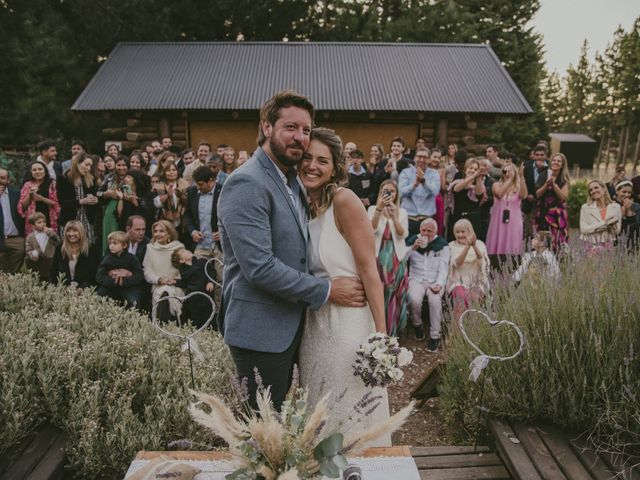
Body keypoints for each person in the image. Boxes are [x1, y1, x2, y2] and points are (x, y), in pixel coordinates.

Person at [217, 90, 365, 411]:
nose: (300, 137)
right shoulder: (246, 183)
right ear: (267, 127)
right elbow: (260, 267)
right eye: (291, 127)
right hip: (260, 329)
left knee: (291, 421)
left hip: (294, 324)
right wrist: (327, 290)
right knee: (263, 429)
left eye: (306, 130)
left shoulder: (291, 179)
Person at [298, 127, 390, 446]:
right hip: (313, 328)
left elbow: (369, 268)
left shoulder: (344, 200)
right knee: (318, 421)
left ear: (336, 166)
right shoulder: (299, 206)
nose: (312, 165)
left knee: (350, 417)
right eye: (306, 157)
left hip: (348, 326)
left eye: (322, 160)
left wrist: (381, 337)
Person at [368, 179, 409, 336]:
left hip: (395, 257)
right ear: (380, 192)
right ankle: (378, 330)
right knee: (379, 293)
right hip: (378, 257)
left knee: (393, 293)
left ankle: (391, 331)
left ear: (396, 194)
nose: (389, 194)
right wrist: (379, 209)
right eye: (386, 191)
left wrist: (394, 217)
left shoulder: (402, 212)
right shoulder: (372, 209)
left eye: (392, 191)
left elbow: (403, 234)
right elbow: (370, 230)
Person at [406, 218, 449, 352]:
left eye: (429, 231)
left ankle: (435, 336)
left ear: (435, 232)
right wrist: (413, 247)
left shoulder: (442, 245)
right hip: (416, 279)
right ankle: (417, 324)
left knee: (435, 300)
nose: (425, 233)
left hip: (435, 280)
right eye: (423, 230)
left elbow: (444, 267)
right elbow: (401, 258)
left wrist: (439, 284)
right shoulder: (412, 241)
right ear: (420, 230)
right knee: (414, 298)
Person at [183, 166, 224, 307]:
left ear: (211, 180)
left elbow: (234, 216)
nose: (198, 187)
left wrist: (224, 232)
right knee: (196, 279)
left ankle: (219, 315)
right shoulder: (192, 192)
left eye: (200, 184)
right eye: (196, 184)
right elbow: (187, 215)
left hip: (220, 246)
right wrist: (192, 231)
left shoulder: (223, 191)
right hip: (200, 245)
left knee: (220, 281)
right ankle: (198, 315)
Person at [447, 219, 490, 325]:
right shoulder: (451, 246)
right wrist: (467, 247)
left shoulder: (480, 244)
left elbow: (483, 263)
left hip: (476, 282)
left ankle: (473, 330)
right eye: (457, 232)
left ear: (469, 231)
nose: (460, 234)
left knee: (473, 297)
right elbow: (456, 264)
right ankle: (457, 331)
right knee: (461, 296)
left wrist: (474, 246)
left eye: (463, 231)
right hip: (458, 282)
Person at [485, 163, 528, 267]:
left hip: (514, 221)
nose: (507, 173)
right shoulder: (496, 185)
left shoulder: (518, 187)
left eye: (510, 171)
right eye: (505, 171)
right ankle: (494, 267)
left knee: (512, 244)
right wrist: (510, 180)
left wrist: (521, 177)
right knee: (497, 242)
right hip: (498, 220)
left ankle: (512, 267)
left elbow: (524, 195)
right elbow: (499, 194)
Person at [143, 220, 185, 321]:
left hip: (175, 285)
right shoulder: (150, 248)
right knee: (163, 293)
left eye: (161, 231)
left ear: (169, 233)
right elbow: (147, 272)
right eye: (155, 231)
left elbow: (184, 270)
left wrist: (174, 281)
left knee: (169, 293)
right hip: (158, 286)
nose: (157, 234)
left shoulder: (179, 247)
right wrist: (159, 279)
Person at [57, 153, 100, 246]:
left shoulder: (90, 178)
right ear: (77, 163)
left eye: (90, 166)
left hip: (86, 219)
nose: (89, 168)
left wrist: (95, 200)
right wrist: (81, 201)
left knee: (88, 248)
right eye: (86, 165)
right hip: (69, 219)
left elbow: (95, 197)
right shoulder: (63, 178)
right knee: (68, 247)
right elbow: (62, 202)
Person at [96, 230, 144, 309]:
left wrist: (124, 281)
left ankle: (134, 319)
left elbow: (139, 275)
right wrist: (113, 281)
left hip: (128, 287)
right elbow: (99, 276)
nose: (111, 246)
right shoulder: (107, 259)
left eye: (115, 243)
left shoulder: (132, 258)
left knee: (133, 302)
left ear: (124, 245)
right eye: (110, 243)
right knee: (97, 299)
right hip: (109, 287)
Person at [399, 147, 440, 236]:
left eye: (425, 157)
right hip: (408, 218)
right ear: (414, 158)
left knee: (425, 247)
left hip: (426, 219)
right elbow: (401, 193)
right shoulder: (405, 172)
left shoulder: (434, 174)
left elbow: (435, 192)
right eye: (419, 156)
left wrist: (424, 182)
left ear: (429, 160)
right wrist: (414, 185)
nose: (422, 160)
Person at [172, 248, 216, 329]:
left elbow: (211, 271)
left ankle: (210, 332)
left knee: (209, 316)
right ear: (181, 260)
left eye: (185, 250)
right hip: (193, 298)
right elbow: (185, 283)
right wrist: (175, 282)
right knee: (195, 319)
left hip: (206, 295)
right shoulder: (184, 271)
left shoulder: (202, 262)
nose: (187, 251)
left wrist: (210, 281)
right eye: (183, 252)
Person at [534, 153, 570, 251]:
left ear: (562, 165)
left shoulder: (563, 179)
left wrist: (554, 185)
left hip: (557, 215)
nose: (556, 162)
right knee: (540, 241)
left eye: (559, 161)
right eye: (554, 160)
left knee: (557, 241)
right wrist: (546, 185)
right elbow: (537, 194)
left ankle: (557, 261)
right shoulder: (543, 175)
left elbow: (563, 197)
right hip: (542, 212)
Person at [49, 220, 98, 291]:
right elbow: (53, 272)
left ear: (81, 232)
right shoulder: (60, 248)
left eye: (75, 231)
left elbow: (94, 274)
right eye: (68, 231)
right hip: (63, 290)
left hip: (85, 292)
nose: (71, 234)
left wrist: (82, 288)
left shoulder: (91, 249)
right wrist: (62, 287)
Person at [18, 160, 60, 236]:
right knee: (34, 245)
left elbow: (57, 204)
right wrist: (30, 196)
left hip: (49, 219)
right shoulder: (27, 185)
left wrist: (42, 199)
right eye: (34, 170)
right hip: (33, 222)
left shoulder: (53, 184)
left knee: (50, 245)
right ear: (30, 172)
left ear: (45, 170)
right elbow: (22, 207)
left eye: (40, 169)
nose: (37, 172)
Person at [447, 158, 485, 241]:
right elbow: (456, 189)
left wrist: (478, 178)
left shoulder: (478, 183)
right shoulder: (458, 178)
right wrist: (472, 177)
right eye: (471, 168)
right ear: (466, 169)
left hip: (473, 218)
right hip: (458, 217)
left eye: (475, 169)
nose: (473, 170)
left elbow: (479, 193)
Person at [98, 155, 129, 254]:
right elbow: (98, 193)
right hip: (110, 213)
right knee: (111, 237)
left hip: (126, 211)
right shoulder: (109, 177)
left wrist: (124, 196)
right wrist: (105, 194)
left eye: (124, 165)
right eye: (118, 165)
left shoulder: (132, 177)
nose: (121, 168)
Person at [579, 179, 621, 250]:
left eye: (596, 188)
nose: (593, 191)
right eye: (591, 190)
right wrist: (606, 224)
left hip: (608, 243)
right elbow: (583, 229)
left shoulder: (615, 206)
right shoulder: (585, 207)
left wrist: (613, 226)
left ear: (604, 189)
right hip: (590, 244)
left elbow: (617, 231)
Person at [0, 167, 26, 273]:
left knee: (15, 272)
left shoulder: (17, 193)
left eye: (2, 178)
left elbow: (24, 211)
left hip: (16, 238)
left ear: (8, 180)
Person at [152, 160, 189, 231]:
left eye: (174, 170)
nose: (172, 172)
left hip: (182, 220)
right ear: (164, 172)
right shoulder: (158, 186)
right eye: (168, 170)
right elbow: (156, 205)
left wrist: (180, 195)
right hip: (163, 220)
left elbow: (189, 202)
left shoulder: (184, 185)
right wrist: (168, 195)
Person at [25, 212, 60, 281]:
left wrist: (50, 233)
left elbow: (58, 242)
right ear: (33, 225)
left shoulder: (50, 232)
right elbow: (28, 249)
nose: (43, 224)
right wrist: (32, 253)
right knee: (39, 279)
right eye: (39, 222)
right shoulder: (30, 237)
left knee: (51, 278)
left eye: (44, 222)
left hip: (50, 260)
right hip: (38, 263)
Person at [523, 145, 547, 239]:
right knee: (528, 232)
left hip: (543, 204)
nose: (539, 157)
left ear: (546, 156)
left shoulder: (549, 168)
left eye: (542, 155)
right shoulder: (527, 167)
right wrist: (527, 195)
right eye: (537, 154)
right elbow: (522, 182)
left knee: (541, 232)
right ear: (533, 155)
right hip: (528, 202)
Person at [615, 180, 640, 250]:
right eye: (624, 192)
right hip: (616, 242)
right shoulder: (612, 206)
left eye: (629, 192)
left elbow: (637, 227)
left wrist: (629, 211)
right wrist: (622, 216)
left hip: (633, 243)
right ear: (617, 191)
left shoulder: (636, 206)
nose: (627, 195)